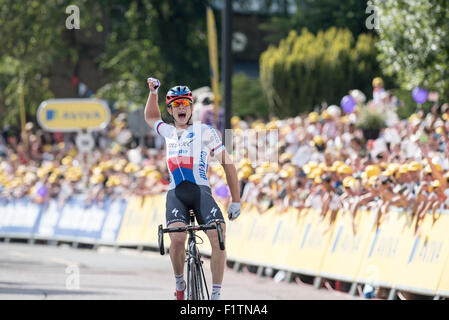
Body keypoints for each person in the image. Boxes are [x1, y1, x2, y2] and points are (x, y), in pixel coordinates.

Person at [144, 77, 241, 300]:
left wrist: (236, 200)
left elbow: (228, 164)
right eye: (176, 105)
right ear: (170, 109)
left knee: (218, 235)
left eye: (185, 104)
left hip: (200, 192)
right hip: (176, 193)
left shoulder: (205, 131)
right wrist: (153, 93)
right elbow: (151, 117)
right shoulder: (167, 131)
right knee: (177, 238)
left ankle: (215, 294)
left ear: (191, 107)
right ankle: (180, 285)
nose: (181, 108)